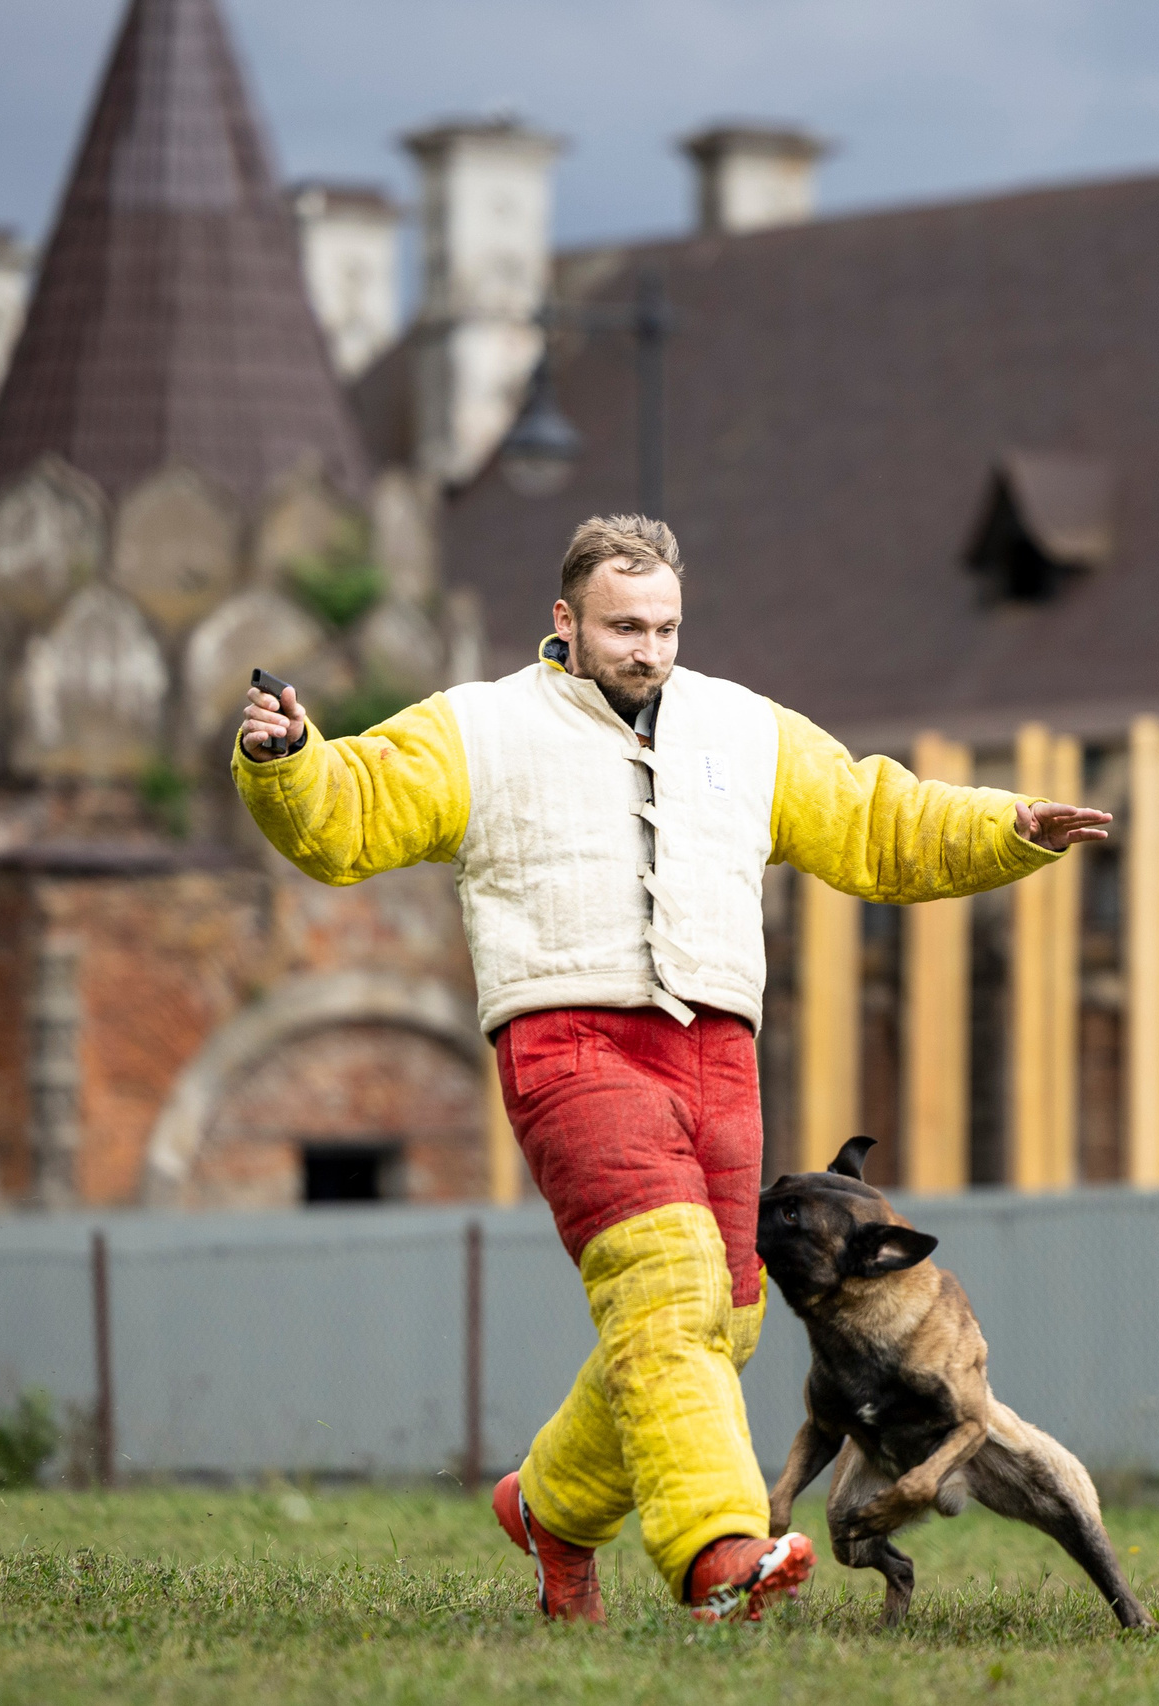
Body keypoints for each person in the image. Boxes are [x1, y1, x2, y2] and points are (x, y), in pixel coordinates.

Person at [234, 514, 1110, 1624]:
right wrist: (287, 760)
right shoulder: (480, 727)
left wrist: (1008, 825)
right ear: (565, 620)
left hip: (718, 1052)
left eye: (665, 628)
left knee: (725, 1315)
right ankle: (718, 1550)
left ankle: (551, 1508)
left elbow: (872, 819)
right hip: (568, 1042)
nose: (648, 649)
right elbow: (349, 812)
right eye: (623, 628)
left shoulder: (744, 728)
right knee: (669, 1285)